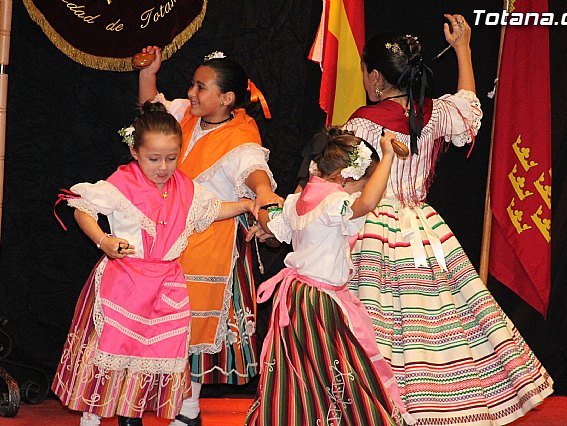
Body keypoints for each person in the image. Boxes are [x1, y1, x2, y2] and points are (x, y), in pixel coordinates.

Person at [339, 14, 554, 424]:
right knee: (439, 320)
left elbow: (349, 184)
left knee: (380, 320)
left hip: (374, 228)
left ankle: (378, 405)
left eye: (367, 72)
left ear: (376, 79)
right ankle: (441, 403)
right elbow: (469, 105)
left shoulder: (363, 123)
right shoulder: (433, 114)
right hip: (423, 226)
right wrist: (464, 50)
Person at [51, 102, 255, 426]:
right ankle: (106, 414)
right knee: (116, 354)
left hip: (167, 288)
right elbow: (83, 209)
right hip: (125, 285)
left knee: (154, 358)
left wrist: (246, 204)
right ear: (135, 151)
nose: (163, 167)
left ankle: (136, 412)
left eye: (172, 158)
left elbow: (211, 209)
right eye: (154, 158)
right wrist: (104, 240)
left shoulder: (185, 187)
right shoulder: (122, 184)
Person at [139, 47, 283, 426]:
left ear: (227, 98)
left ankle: (187, 411)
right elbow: (151, 115)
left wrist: (264, 193)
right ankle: (160, 404)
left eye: (200, 88)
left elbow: (253, 168)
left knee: (193, 327)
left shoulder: (240, 136)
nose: (191, 93)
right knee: (164, 324)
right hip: (170, 238)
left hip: (212, 243)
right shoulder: (186, 115)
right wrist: (148, 73)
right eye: (192, 84)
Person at [246, 128, 413, 425]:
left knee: (302, 366)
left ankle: (299, 416)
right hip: (319, 302)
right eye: (361, 184)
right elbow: (367, 203)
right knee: (337, 365)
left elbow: (274, 226)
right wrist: (387, 156)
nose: (361, 192)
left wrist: (260, 220)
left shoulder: (301, 198)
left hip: (298, 295)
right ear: (346, 178)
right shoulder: (333, 202)